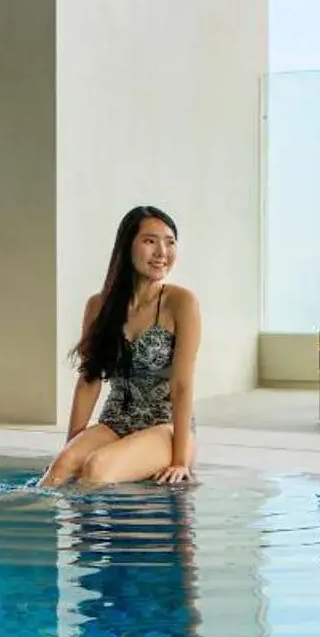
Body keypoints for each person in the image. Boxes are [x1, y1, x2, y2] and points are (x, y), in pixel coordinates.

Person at [41, 206, 202, 487]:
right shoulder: (98, 306)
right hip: (114, 423)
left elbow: (181, 386)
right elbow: (89, 380)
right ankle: (23, 519)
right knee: (60, 469)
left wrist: (180, 461)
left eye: (170, 242)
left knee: (97, 467)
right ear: (127, 245)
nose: (162, 251)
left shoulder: (181, 302)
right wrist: (71, 447)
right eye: (150, 241)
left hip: (164, 429)